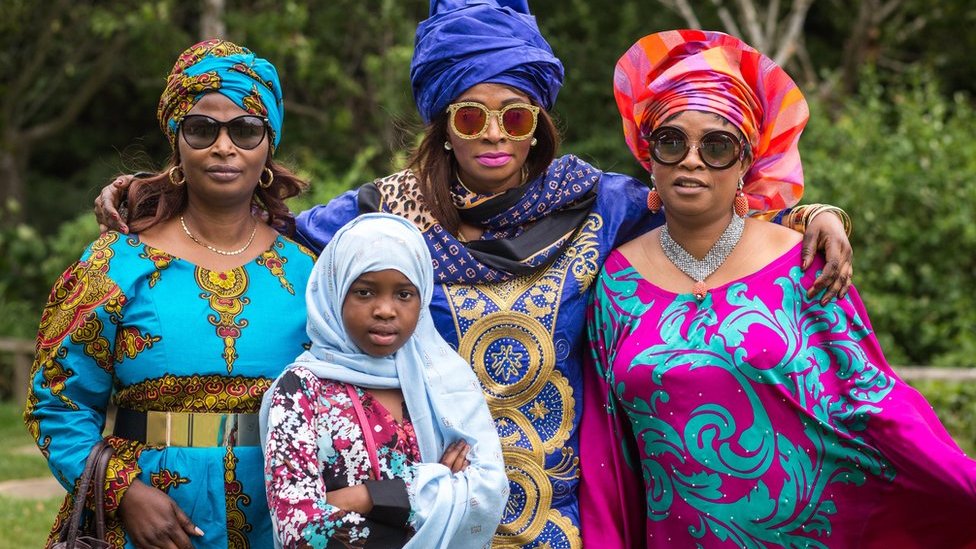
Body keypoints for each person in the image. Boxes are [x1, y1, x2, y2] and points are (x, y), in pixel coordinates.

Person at [93, 2, 854, 546]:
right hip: (427, 508)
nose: (494, 135)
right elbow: (257, 220)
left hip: (567, 512)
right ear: (442, 123)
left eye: (515, 116)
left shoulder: (603, 204)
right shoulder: (375, 219)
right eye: (470, 116)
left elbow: (706, 203)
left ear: (540, 124)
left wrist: (809, 213)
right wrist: (160, 194)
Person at [580, 29, 976, 548]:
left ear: (747, 161)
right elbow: (606, 444)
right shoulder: (613, 280)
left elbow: (874, 402)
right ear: (648, 155)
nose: (692, 160)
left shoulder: (803, 260)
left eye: (717, 146)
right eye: (671, 141)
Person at [24, 39, 316, 548]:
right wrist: (123, 494)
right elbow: (57, 403)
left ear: (269, 143)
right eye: (202, 129)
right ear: (177, 140)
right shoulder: (116, 265)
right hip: (145, 523)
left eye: (246, 129)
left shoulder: (311, 273)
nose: (224, 147)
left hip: (281, 514)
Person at [260, 213, 507, 548]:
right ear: (335, 295)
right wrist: (418, 494)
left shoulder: (443, 383)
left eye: (404, 294)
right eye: (364, 292)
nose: (386, 310)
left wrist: (356, 499)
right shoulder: (302, 389)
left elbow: (486, 496)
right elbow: (300, 529)